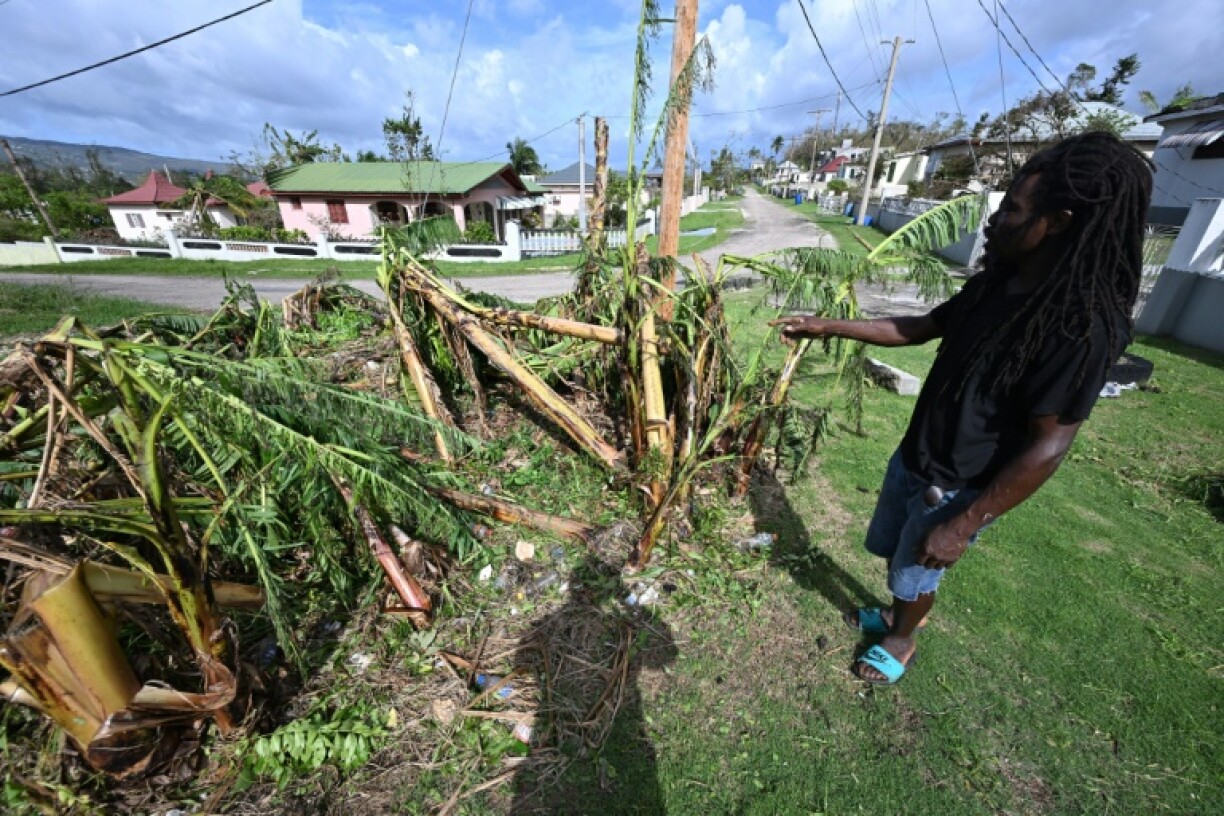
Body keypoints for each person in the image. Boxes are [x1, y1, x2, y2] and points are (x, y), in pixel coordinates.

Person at [771, 132, 1152, 685]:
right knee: (896, 556)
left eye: (1011, 209)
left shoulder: (1081, 326)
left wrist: (965, 523)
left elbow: (1051, 444)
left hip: (956, 487)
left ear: (1060, 221)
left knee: (918, 571)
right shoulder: (1000, 282)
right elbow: (919, 327)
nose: (994, 221)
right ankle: (898, 613)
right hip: (917, 455)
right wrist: (827, 325)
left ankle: (901, 640)